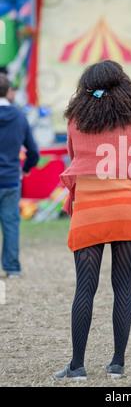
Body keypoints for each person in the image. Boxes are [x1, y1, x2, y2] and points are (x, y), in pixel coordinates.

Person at [54, 60, 131, 380]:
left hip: (89, 211)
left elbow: (74, 161)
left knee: (85, 287)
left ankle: (77, 366)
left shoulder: (75, 121)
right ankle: (117, 364)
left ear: (86, 86)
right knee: (123, 286)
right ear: (124, 85)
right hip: (125, 208)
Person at [0, 73, 39, 278]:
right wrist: (25, 168)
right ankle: (12, 267)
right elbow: (33, 152)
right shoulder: (19, 116)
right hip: (9, 179)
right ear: (9, 92)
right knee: (10, 224)